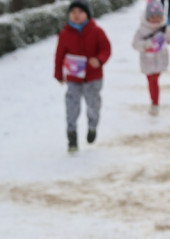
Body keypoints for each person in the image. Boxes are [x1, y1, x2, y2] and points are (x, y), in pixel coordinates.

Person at [53, 0, 111, 152]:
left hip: (93, 78)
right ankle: (72, 136)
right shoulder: (65, 34)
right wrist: (59, 74)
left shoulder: (97, 31)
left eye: (80, 12)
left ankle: (92, 126)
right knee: (72, 107)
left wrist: (99, 60)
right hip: (74, 78)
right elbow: (59, 55)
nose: (76, 15)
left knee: (93, 105)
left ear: (87, 14)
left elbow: (106, 49)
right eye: (73, 12)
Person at [133, 0, 170, 116]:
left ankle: (154, 102)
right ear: (147, 17)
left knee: (155, 80)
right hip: (147, 61)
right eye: (152, 17)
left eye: (158, 17)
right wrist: (146, 44)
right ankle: (155, 103)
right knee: (152, 81)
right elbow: (135, 43)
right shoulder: (142, 29)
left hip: (160, 60)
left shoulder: (164, 28)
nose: (155, 19)